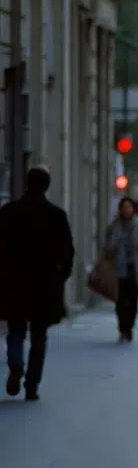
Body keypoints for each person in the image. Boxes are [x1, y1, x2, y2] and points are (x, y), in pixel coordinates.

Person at [0, 166, 74, 401]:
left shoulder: (8, 212)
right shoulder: (56, 215)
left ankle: (15, 362)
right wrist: (60, 277)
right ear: (47, 186)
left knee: (15, 328)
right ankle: (32, 385)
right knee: (39, 336)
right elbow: (68, 252)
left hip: (13, 282)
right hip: (44, 284)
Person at [104, 196, 138, 343]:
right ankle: (122, 328)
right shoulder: (114, 226)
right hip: (119, 268)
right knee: (120, 300)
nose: (126, 210)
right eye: (123, 207)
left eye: (129, 207)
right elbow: (107, 246)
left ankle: (129, 327)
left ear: (133, 209)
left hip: (136, 268)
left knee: (133, 300)